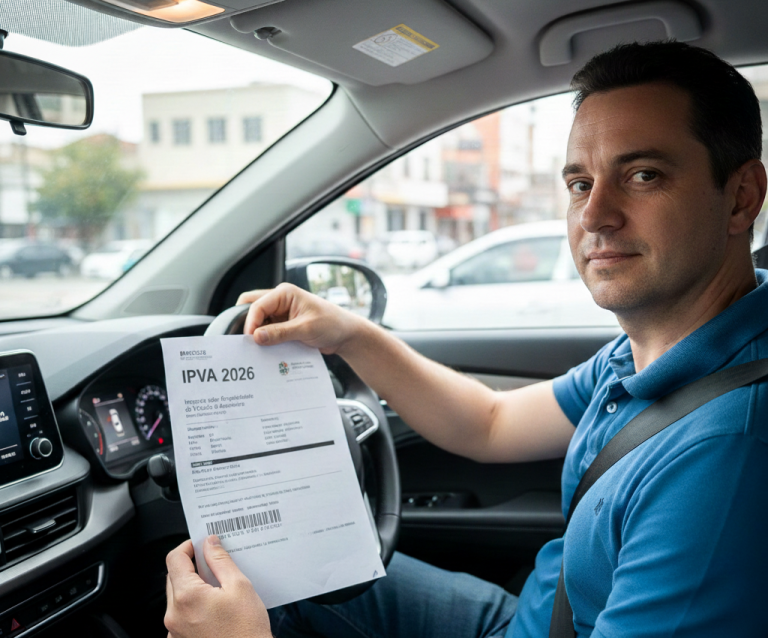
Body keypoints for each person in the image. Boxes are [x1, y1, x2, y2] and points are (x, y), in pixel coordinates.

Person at [164, 41, 768, 637]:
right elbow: (489, 422)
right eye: (581, 183)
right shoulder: (663, 349)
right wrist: (348, 332)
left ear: (741, 197)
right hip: (527, 620)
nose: (594, 215)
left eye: (643, 175)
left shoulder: (727, 455)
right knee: (277, 581)